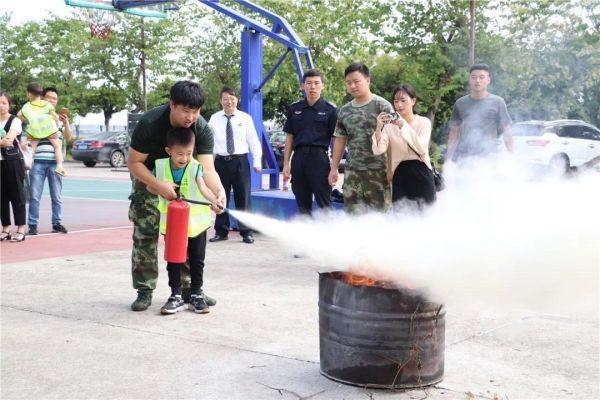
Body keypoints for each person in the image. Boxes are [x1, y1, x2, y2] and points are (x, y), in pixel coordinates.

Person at [127, 80, 226, 312]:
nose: (191, 116)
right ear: (172, 105)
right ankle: (145, 289)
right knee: (146, 232)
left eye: (196, 111)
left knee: (185, 233)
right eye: (185, 110)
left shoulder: (201, 129)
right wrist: (158, 184)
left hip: (184, 179)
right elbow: (134, 162)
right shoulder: (150, 123)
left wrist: (218, 194)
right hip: (148, 175)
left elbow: (207, 169)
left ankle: (188, 289)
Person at [150, 127, 221, 314]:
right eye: (180, 154)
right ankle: (176, 295)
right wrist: (162, 187)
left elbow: (203, 187)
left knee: (197, 260)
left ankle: (197, 294)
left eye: (189, 153)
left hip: (196, 225)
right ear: (169, 151)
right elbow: (150, 188)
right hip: (173, 224)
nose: (185, 158)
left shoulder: (195, 166)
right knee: (174, 260)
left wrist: (214, 199)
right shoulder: (160, 166)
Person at [328, 62, 394, 214]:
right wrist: (334, 168)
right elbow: (339, 139)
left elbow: (392, 140)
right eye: (348, 83)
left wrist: (391, 168)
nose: (352, 86)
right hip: (353, 172)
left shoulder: (382, 106)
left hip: (378, 172)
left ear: (368, 80)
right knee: (353, 215)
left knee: (379, 216)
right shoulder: (345, 110)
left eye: (356, 81)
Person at [208, 87, 262, 244]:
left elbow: (253, 141)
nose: (229, 102)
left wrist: (257, 161)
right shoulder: (214, 118)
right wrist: (208, 165)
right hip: (220, 162)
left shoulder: (245, 118)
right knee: (220, 195)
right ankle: (221, 231)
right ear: (221, 101)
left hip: (240, 162)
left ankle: (246, 232)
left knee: (243, 197)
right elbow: (210, 144)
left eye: (232, 99)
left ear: (236, 100)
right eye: (225, 99)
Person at [282, 69, 338, 216]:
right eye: (309, 83)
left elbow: (336, 140)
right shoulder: (295, 109)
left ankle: (330, 236)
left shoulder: (330, 110)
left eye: (316, 83)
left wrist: (335, 166)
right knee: (302, 204)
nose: (312, 87)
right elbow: (289, 138)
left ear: (322, 86)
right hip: (298, 160)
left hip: (319, 160)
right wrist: (286, 163)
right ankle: (306, 237)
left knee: (324, 203)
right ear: (303, 86)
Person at [372, 84, 436, 207]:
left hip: (421, 171)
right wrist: (379, 127)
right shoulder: (389, 126)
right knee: (401, 217)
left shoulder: (423, 122)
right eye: (396, 101)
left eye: (403, 100)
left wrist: (403, 126)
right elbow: (379, 149)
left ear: (413, 101)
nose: (399, 105)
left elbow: (421, 147)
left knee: (427, 215)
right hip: (400, 173)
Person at [446, 63, 513, 163]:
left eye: (481, 77)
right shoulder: (460, 103)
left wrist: (512, 156)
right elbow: (454, 133)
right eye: (474, 77)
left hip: (490, 157)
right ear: (469, 80)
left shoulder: (498, 102)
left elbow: (506, 131)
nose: (477, 81)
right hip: (465, 157)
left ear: (488, 80)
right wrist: (448, 159)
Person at [27, 87, 72, 236]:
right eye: (48, 97)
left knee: (57, 195)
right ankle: (32, 224)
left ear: (57, 101)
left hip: (55, 163)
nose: (51, 100)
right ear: (42, 99)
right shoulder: (34, 116)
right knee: (34, 195)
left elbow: (68, 137)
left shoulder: (59, 119)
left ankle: (57, 223)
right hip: (38, 161)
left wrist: (66, 124)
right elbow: (28, 139)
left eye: (54, 98)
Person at [17, 82, 66, 176]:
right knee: (57, 146)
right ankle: (60, 166)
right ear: (40, 94)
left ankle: (28, 167)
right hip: (49, 129)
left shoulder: (27, 106)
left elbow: (19, 115)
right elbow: (54, 116)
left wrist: (28, 120)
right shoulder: (46, 104)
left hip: (35, 131)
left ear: (29, 94)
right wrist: (56, 124)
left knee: (31, 149)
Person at [0, 92, 27, 242]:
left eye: (4, 102)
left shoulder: (15, 120)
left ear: (9, 104)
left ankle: (21, 229)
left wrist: (4, 141)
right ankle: (5, 228)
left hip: (13, 162)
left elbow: (8, 140)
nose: (1, 105)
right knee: (1, 197)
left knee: (17, 194)